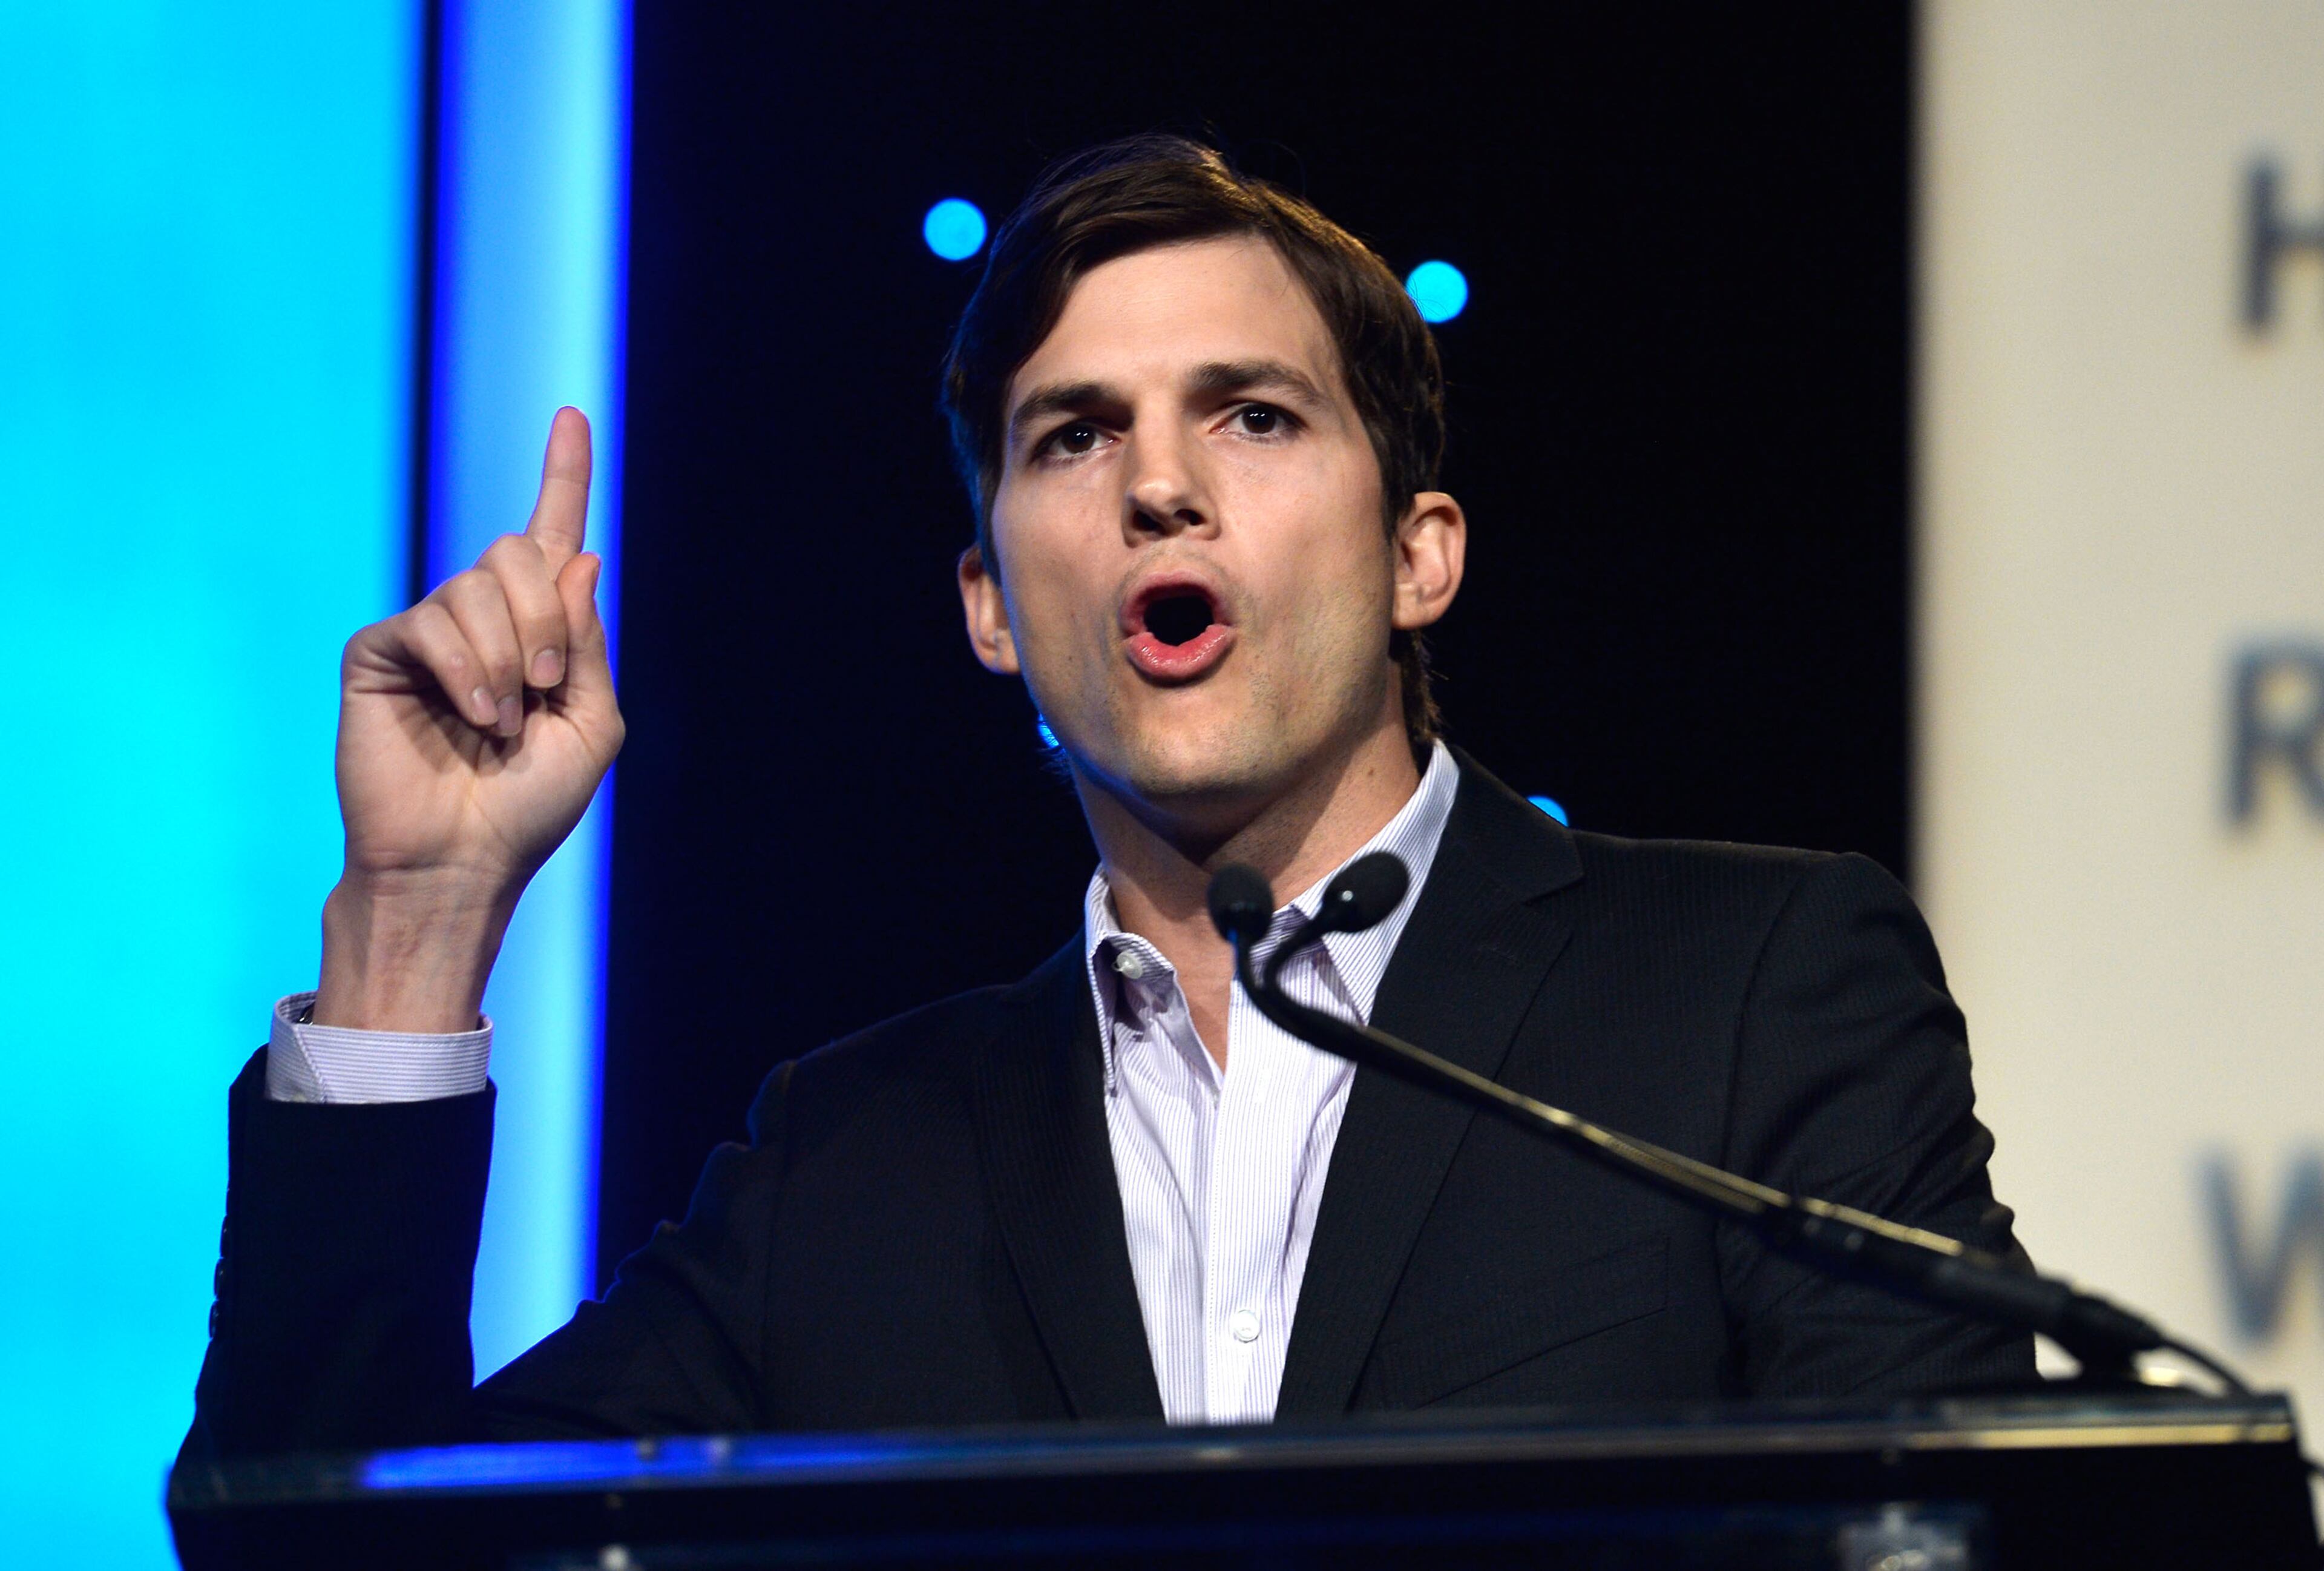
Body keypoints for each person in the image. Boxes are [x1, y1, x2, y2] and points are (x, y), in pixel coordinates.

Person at [182, 136, 2032, 1461]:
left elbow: (1971, 1523)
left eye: (1253, 415)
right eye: (1075, 436)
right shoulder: (851, 1161)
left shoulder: (1748, 987)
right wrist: (417, 922)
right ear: (990, 606)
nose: (1160, 485)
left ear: (1420, 554)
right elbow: (335, 1543)